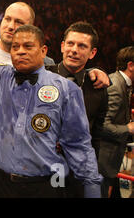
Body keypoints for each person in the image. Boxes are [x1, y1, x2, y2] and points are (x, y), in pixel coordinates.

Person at [0, 25, 102, 198]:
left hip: (44, 187)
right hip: (1, 184)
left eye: (28, 46)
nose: (20, 51)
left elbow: (79, 145)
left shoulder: (66, 89)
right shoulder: (0, 75)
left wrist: (92, 189)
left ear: (43, 50)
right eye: (15, 47)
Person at [47, 21, 108, 198]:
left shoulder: (98, 87)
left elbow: (96, 136)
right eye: (70, 44)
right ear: (62, 46)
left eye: (82, 46)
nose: (74, 50)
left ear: (92, 53)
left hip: (77, 172)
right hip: (41, 167)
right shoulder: (41, 75)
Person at [98, 46, 134, 198]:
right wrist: (128, 128)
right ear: (131, 66)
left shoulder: (122, 84)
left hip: (109, 158)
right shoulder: (115, 86)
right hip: (103, 159)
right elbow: (102, 126)